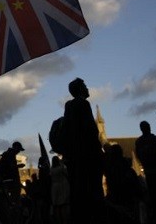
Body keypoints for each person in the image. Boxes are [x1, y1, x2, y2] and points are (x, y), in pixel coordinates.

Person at [61, 77, 106, 223]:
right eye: (85, 86)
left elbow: (66, 131)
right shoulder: (83, 104)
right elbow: (91, 131)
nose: (87, 88)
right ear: (80, 89)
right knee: (94, 193)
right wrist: (99, 152)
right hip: (88, 157)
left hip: (75, 158)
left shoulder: (69, 106)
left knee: (79, 195)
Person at [49, 156, 69, 224]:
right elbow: (66, 174)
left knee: (57, 206)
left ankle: (59, 221)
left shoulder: (51, 169)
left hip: (55, 188)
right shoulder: (62, 167)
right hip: (62, 187)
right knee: (63, 205)